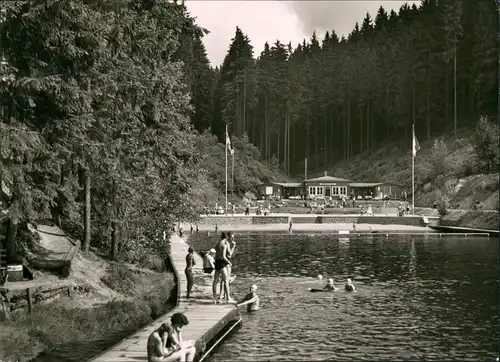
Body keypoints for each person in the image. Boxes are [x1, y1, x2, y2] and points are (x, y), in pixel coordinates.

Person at [212, 232, 234, 304]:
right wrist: (229, 262)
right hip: (222, 263)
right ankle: (228, 298)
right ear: (226, 237)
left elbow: (214, 253)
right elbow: (224, 257)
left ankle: (214, 298)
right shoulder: (224, 245)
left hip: (217, 263)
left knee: (215, 281)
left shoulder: (217, 244)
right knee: (226, 281)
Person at [219, 232, 236, 300]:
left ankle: (221, 295)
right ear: (228, 237)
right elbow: (230, 254)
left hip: (222, 262)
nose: (232, 238)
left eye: (233, 237)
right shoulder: (227, 244)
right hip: (227, 263)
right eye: (231, 237)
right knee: (227, 280)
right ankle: (227, 296)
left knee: (223, 280)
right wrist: (234, 246)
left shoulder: (222, 242)